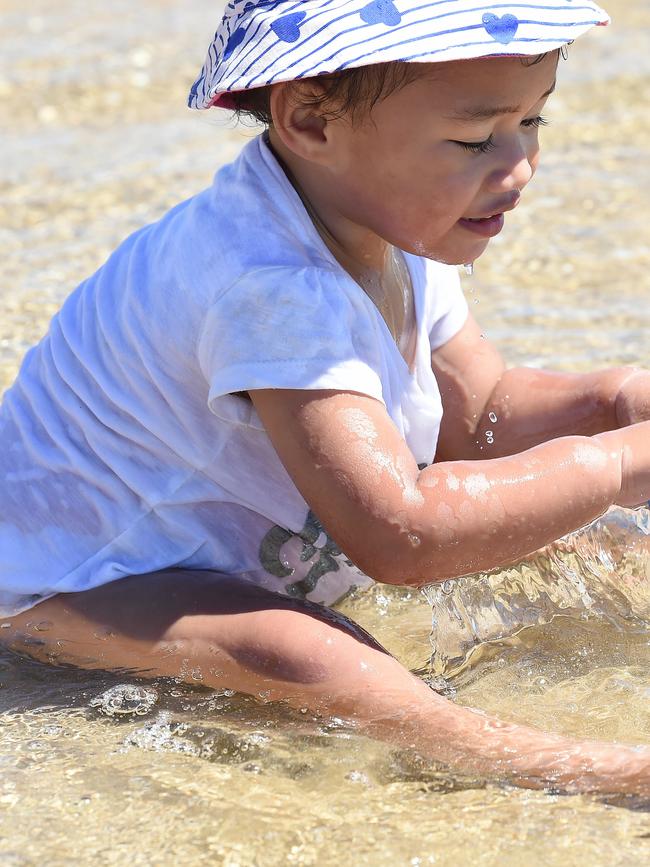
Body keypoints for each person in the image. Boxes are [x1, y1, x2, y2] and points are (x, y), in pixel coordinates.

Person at [2, 0, 650, 794]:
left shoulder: (387, 216)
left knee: (581, 527)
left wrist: (616, 403)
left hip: (232, 558)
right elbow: (401, 535)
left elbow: (478, 416)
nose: (518, 166)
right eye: (477, 138)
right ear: (310, 119)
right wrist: (613, 463)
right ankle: (552, 765)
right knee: (307, 648)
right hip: (76, 585)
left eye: (534, 122)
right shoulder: (272, 287)